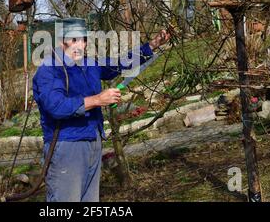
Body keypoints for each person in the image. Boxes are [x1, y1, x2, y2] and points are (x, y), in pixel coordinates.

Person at [32, 18, 170, 202]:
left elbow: (121, 63)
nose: (79, 44)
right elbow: (56, 106)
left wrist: (153, 45)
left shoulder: (89, 65)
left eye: (83, 39)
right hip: (67, 146)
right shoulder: (49, 70)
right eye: (73, 40)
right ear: (61, 41)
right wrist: (97, 99)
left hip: (93, 142)